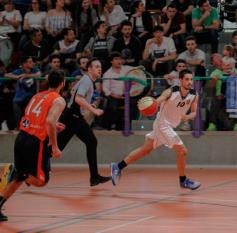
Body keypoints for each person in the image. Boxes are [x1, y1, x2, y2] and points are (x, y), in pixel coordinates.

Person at [110, 69, 201, 190]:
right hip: (162, 124)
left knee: (145, 150)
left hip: (169, 126)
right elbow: (157, 102)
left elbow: (194, 113)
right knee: (182, 151)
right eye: (187, 79)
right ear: (180, 80)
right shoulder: (171, 92)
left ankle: (118, 166)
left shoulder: (194, 94)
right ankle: (183, 180)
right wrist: (149, 104)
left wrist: (187, 117)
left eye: (191, 79)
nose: (190, 82)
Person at [0, 71, 67, 222]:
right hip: (35, 142)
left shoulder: (37, 95)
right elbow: (49, 121)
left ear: (48, 81)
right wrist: (55, 146)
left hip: (22, 137)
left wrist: (53, 125)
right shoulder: (59, 100)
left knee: (20, 177)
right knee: (41, 180)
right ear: (63, 83)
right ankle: (12, 171)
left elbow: (38, 119)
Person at [58, 58, 111, 186]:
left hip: (75, 117)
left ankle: (94, 177)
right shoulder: (87, 80)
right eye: (96, 66)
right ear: (89, 69)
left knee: (91, 142)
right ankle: (25, 170)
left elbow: (73, 92)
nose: (99, 68)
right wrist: (93, 109)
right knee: (55, 149)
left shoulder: (85, 80)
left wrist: (87, 104)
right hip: (72, 117)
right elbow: (77, 98)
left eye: (100, 66)